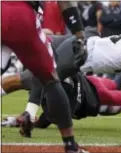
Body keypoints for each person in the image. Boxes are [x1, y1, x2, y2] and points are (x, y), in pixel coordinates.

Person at [1, 1, 88, 153]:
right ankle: (70, 146)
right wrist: (79, 35)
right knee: (50, 79)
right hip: (20, 15)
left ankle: (31, 111)